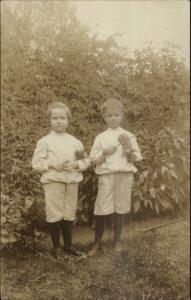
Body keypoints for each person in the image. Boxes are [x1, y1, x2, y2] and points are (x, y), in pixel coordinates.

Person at [32, 101, 90, 259]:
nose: (59, 121)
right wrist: (52, 164)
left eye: (62, 118)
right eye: (55, 118)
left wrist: (75, 164)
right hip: (53, 181)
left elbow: (86, 161)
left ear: (68, 120)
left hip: (71, 182)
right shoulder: (45, 141)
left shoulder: (75, 142)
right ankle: (56, 247)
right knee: (54, 213)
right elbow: (36, 163)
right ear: (49, 120)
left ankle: (69, 245)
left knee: (69, 213)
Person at [89, 97, 142, 255]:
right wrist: (104, 152)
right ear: (104, 117)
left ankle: (117, 240)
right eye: (110, 115)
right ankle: (97, 242)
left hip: (124, 175)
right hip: (107, 176)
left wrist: (129, 153)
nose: (113, 118)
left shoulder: (129, 136)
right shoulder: (101, 137)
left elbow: (137, 157)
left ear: (122, 115)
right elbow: (93, 159)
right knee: (102, 208)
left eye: (117, 115)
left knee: (121, 206)